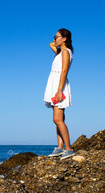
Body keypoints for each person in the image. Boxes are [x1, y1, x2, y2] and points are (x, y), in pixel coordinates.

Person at [43, 28, 75, 160]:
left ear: (65, 39)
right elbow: (51, 44)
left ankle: (69, 149)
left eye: (57, 37)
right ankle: (60, 147)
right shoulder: (60, 52)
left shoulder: (66, 52)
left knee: (57, 119)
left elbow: (64, 71)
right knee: (58, 119)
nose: (54, 39)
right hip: (55, 85)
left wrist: (59, 90)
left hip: (59, 86)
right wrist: (57, 40)